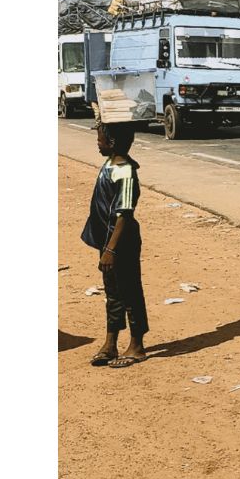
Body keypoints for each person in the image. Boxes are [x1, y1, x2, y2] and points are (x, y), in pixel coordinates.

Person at [83, 122, 148, 368]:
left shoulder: (126, 171)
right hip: (107, 241)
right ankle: (110, 343)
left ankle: (137, 346)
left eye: (100, 139)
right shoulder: (110, 164)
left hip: (121, 241)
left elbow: (124, 213)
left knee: (130, 291)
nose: (97, 143)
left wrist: (110, 249)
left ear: (111, 143)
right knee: (112, 292)